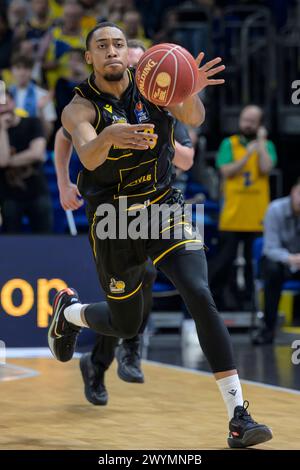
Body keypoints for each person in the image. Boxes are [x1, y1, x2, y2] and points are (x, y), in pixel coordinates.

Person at [48, 22, 272, 448]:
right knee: (124, 322)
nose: (113, 50)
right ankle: (70, 313)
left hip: (164, 206)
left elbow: (195, 117)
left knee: (198, 291)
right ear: (89, 58)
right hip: (114, 219)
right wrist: (110, 136)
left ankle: (239, 416)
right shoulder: (80, 108)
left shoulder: (153, 84)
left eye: (118, 43)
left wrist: (188, 89)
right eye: (103, 46)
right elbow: (89, 157)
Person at [54, 39, 195, 405]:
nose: (125, 64)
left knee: (148, 279)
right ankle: (107, 357)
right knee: (128, 296)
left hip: (160, 204)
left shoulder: (162, 95)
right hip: (116, 210)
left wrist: (156, 131)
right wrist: (63, 182)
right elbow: (64, 137)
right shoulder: (92, 103)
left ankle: (127, 349)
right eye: (121, 56)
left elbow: (188, 159)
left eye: (134, 60)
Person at [209, 105, 277, 310]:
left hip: (257, 216)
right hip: (232, 214)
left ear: (260, 124)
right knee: (224, 262)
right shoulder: (229, 144)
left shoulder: (268, 146)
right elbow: (226, 171)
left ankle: (249, 304)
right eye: (244, 119)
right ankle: (217, 301)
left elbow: (266, 168)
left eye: (252, 121)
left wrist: (262, 144)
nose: (247, 124)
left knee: (253, 263)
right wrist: (247, 156)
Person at [253, 179, 300, 345]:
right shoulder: (275, 209)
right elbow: (270, 248)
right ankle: (268, 328)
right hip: (280, 260)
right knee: (272, 271)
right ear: (293, 192)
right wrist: (291, 258)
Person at [0, 92, 53, 233]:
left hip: (38, 192)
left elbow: (37, 153)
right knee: (11, 242)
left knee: (45, 239)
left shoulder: (32, 122)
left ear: (13, 103)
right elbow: (2, 160)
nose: (2, 108)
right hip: (9, 197)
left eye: (5, 103)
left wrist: (8, 161)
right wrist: (2, 130)